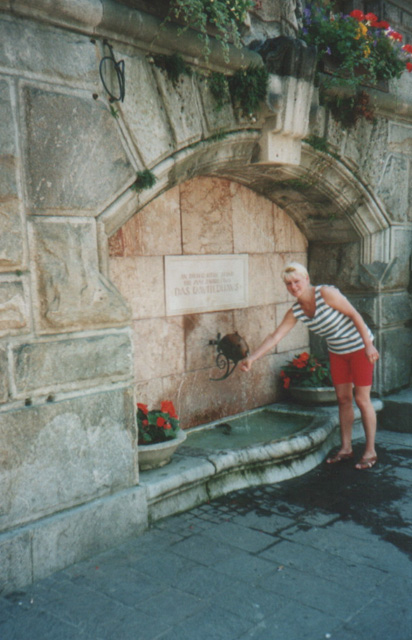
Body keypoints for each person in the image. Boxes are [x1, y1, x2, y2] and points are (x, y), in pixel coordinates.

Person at [239, 262, 379, 470]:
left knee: (362, 399)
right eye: (288, 284)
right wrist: (252, 358)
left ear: (306, 279)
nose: (293, 287)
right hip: (338, 353)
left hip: (360, 348)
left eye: (297, 281)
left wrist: (368, 345)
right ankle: (346, 448)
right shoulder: (297, 310)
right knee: (343, 399)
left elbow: (354, 314)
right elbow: (275, 336)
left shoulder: (326, 294)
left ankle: (370, 451)